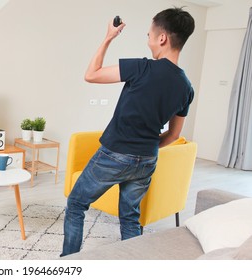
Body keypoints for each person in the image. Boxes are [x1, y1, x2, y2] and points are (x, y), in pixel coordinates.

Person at [61, 7, 195, 256]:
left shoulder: (142, 68)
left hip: (115, 154)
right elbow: (174, 135)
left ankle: (69, 263)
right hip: (147, 159)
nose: (148, 42)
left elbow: (91, 75)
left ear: (162, 38)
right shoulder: (186, 87)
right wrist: (147, 149)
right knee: (131, 218)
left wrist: (109, 37)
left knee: (76, 203)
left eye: (149, 35)